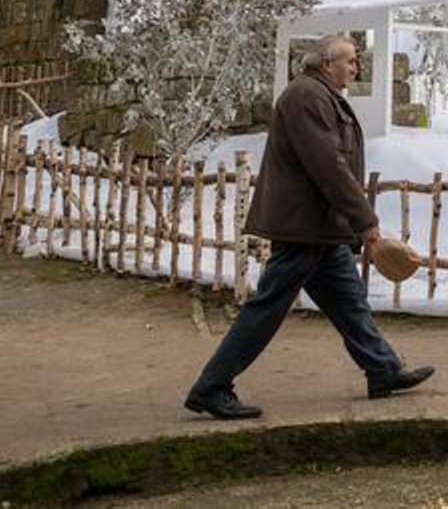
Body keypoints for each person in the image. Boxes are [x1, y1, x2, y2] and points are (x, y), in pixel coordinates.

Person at [184, 33, 434, 420]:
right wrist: (365, 223)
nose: (356, 67)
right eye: (350, 61)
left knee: (349, 302)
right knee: (266, 308)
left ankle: (382, 369)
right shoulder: (307, 97)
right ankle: (212, 387)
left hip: (319, 227)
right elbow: (328, 165)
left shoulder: (320, 95)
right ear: (325, 63)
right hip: (303, 226)